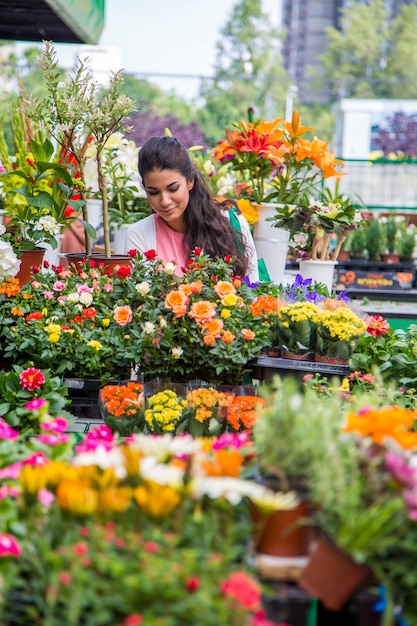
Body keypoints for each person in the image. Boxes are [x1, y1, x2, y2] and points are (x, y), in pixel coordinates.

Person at [125, 136, 259, 282]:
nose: (164, 201)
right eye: (154, 192)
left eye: (173, 188)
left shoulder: (232, 223)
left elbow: (252, 289)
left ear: (190, 181)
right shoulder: (139, 235)